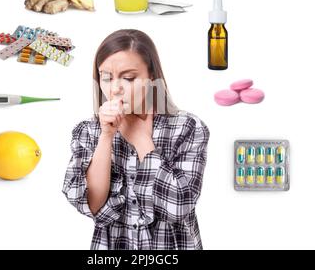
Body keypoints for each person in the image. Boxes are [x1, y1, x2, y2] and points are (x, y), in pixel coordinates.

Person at [63, 29, 210, 250]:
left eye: (129, 78)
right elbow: (91, 205)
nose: (115, 89)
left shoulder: (187, 127)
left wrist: (141, 138)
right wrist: (106, 136)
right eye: (106, 78)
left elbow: (179, 206)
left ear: (152, 77)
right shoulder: (88, 131)